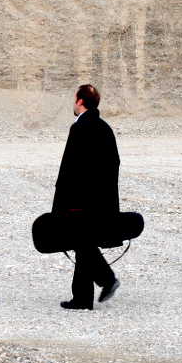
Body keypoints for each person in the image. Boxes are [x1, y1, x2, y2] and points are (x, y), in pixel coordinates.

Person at [52, 83, 121, 310]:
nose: (73, 103)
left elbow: (70, 168)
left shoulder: (80, 127)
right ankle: (82, 299)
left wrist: (63, 202)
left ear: (80, 101)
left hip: (80, 202)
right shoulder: (104, 127)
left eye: (75, 99)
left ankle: (107, 279)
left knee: (81, 242)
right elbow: (114, 164)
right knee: (84, 243)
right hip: (100, 200)